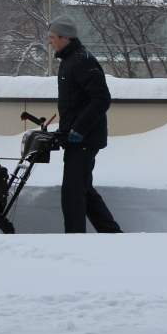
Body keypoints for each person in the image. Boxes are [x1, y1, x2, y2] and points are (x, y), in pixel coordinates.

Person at [47, 15, 123, 234]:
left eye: (52, 37)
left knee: (72, 193)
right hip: (77, 137)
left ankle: (75, 240)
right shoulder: (72, 59)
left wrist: (79, 129)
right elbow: (77, 101)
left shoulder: (81, 60)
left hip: (84, 138)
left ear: (65, 38)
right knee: (83, 190)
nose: (49, 41)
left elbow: (101, 99)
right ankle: (113, 235)